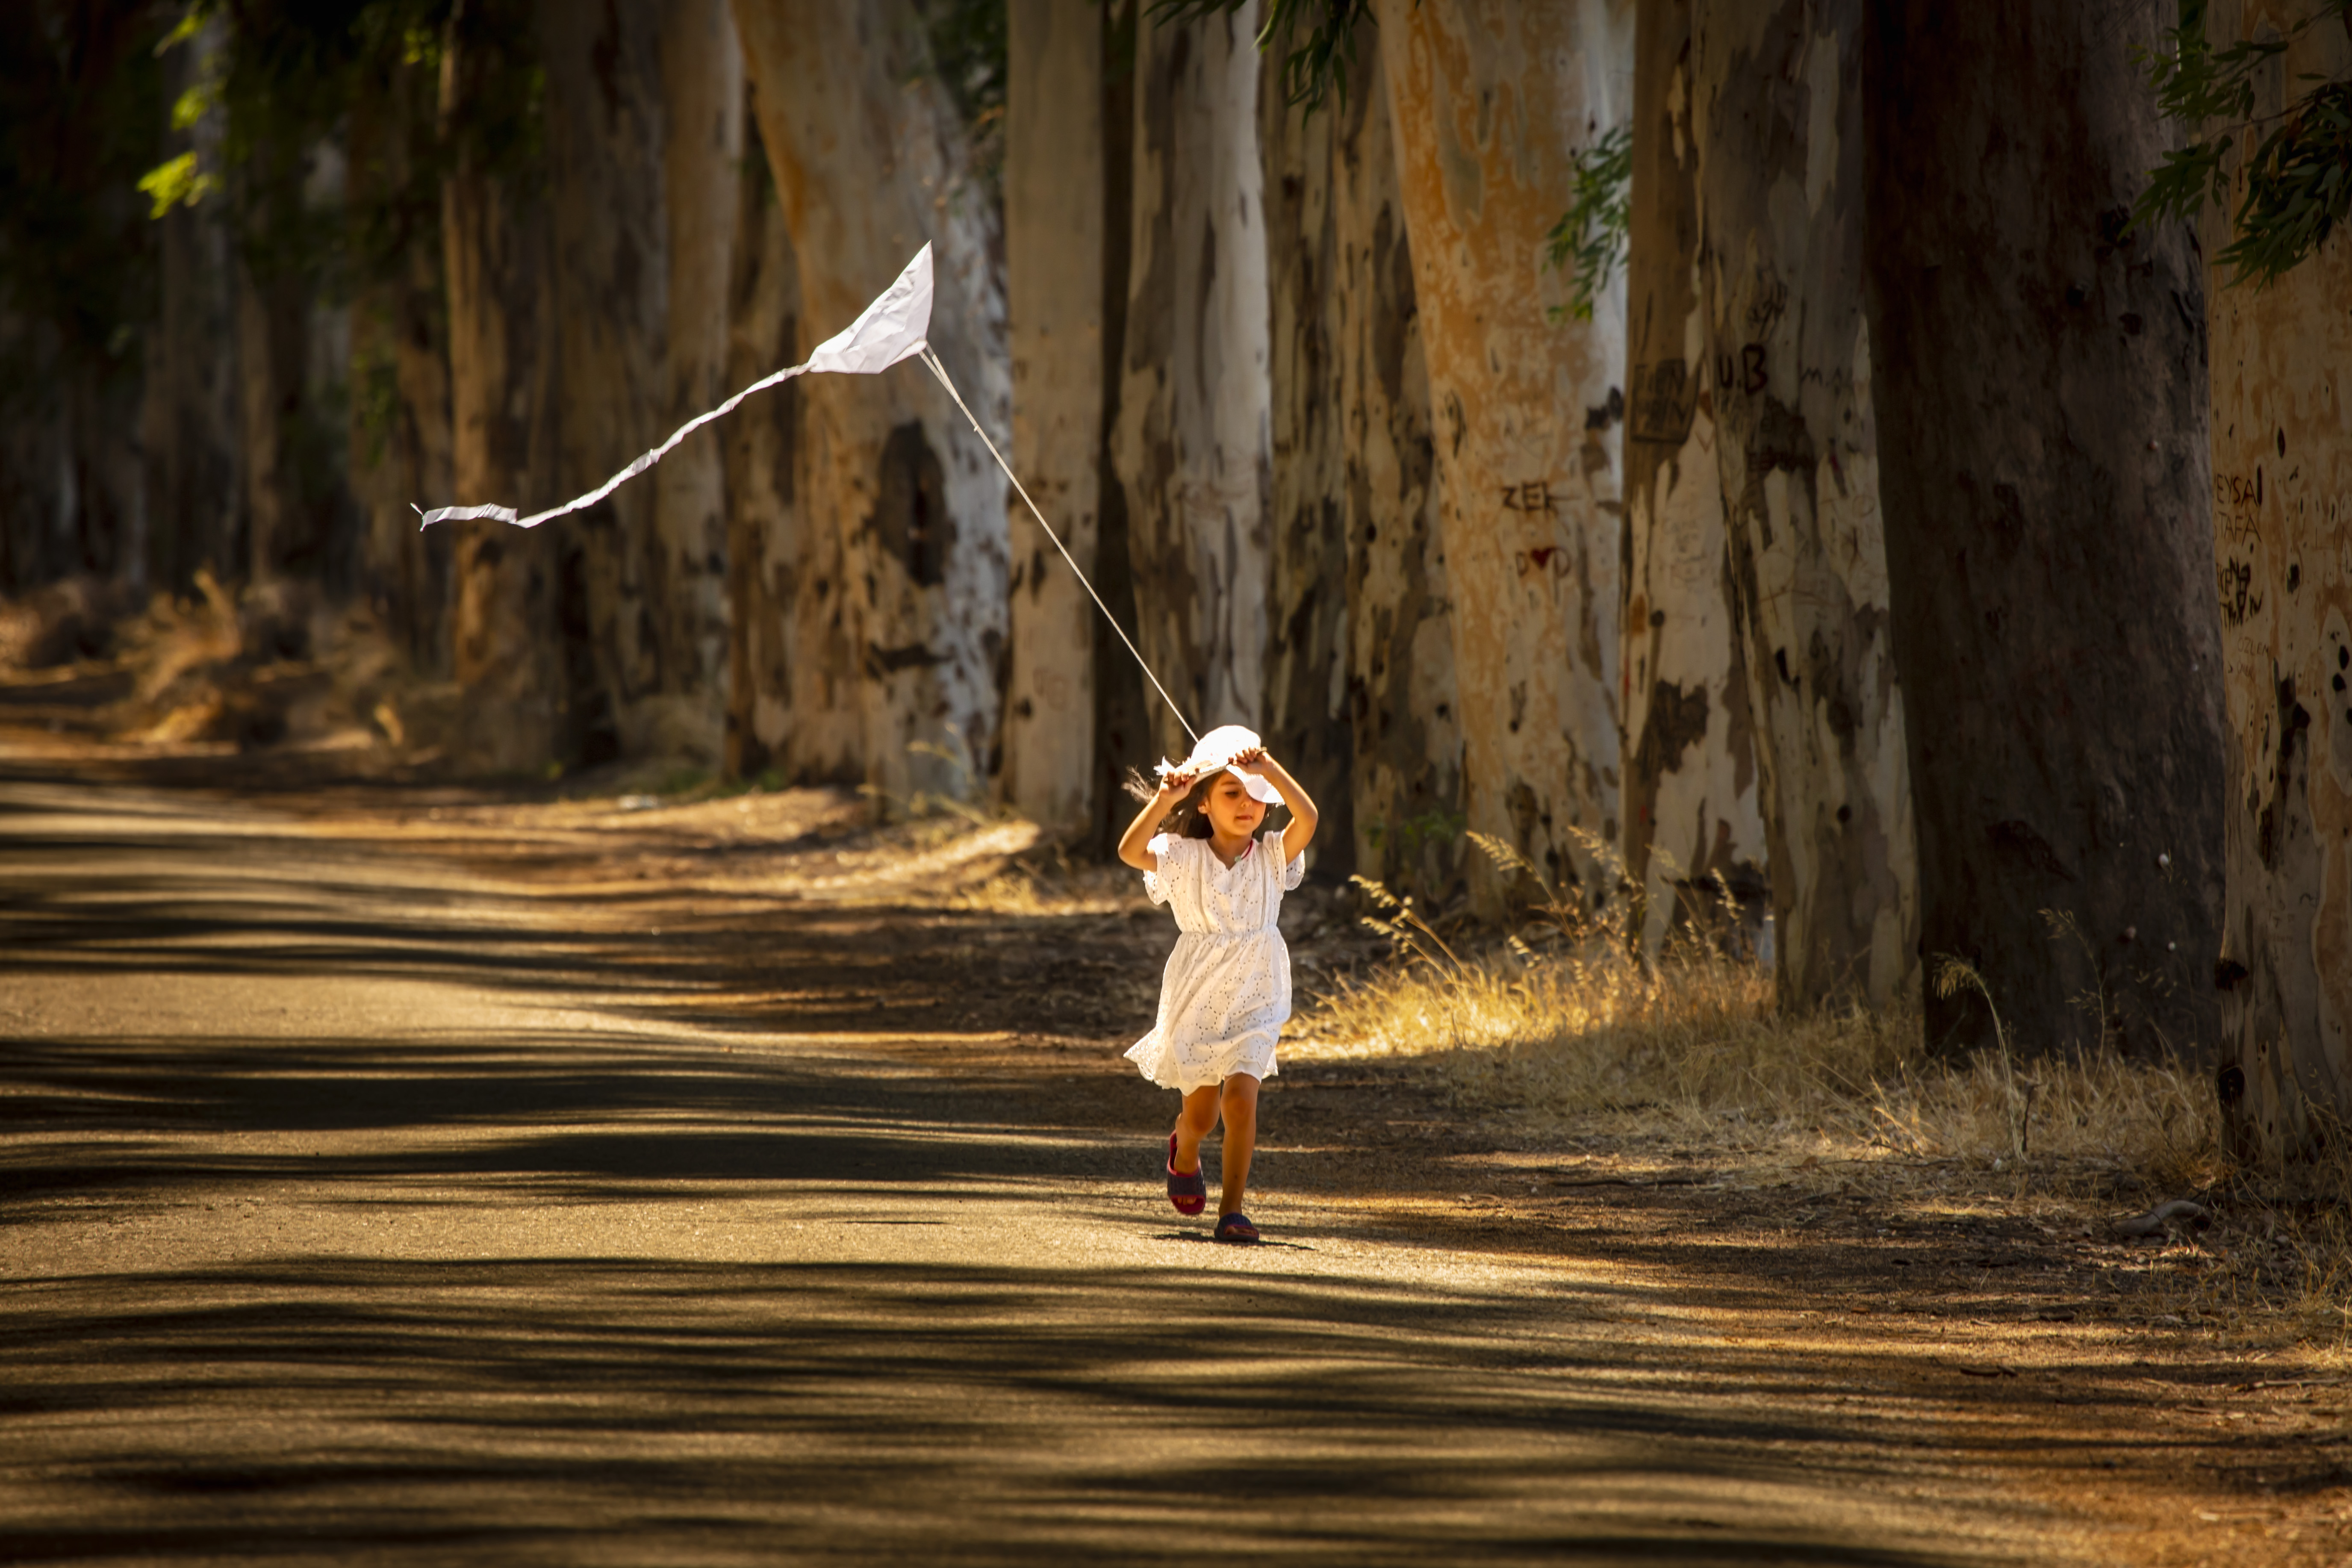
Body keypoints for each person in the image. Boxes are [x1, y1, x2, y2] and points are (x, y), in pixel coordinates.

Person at [1116, 725, 1318, 1244]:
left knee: (1242, 1100)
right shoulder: (1182, 858)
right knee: (1203, 1113)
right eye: (1231, 791)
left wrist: (1268, 770)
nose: (1246, 803)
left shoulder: (1275, 855)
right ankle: (1184, 1147)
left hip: (1257, 991)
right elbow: (1129, 850)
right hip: (1199, 994)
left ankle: (1233, 1210)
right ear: (1204, 802)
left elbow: (1310, 817)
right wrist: (1166, 798)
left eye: (1255, 795)